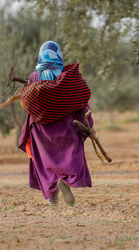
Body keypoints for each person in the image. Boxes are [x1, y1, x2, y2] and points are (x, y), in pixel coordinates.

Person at [18, 40, 94, 206]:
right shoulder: (67, 76)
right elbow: (81, 101)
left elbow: (29, 103)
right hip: (66, 126)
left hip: (40, 130)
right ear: (59, 55)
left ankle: (52, 197)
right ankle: (65, 182)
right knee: (71, 157)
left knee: (45, 163)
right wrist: (89, 126)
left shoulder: (34, 76)